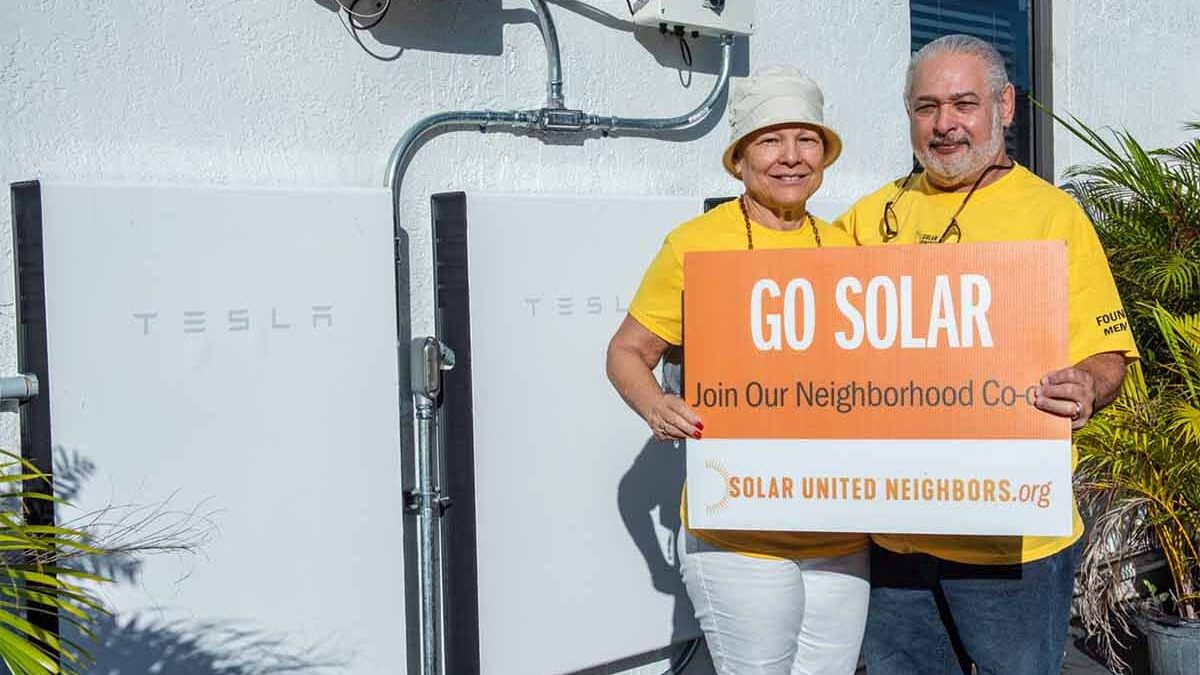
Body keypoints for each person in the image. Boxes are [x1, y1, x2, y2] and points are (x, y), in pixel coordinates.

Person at [836, 34, 1139, 675]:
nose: (945, 125)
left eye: (963, 103)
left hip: (1011, 542)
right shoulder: (868, 218)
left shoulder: (1052, 217)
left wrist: (1085, 384)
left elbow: (1108, 352)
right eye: (926, 107)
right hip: (893, 532)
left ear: (1004, 106)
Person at [606, 66, 868, 675]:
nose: (790, 157)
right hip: (740, 532)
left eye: (806, 139)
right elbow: (627, 353)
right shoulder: (696, 244)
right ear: (740, 158)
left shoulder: (850, 253)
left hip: (839, 531)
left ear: (824, 155)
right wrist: (655, 404)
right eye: (770, 140)